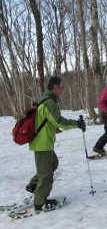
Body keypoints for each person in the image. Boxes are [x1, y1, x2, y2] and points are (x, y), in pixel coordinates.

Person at [26, 76, 86, 211]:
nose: (63, 89)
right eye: (61, 87)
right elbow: (58, 121)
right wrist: (76, 123)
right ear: (55, 87)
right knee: (46, 174)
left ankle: (33, 185)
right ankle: (39, 203)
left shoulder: (44, 99)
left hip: (43, 141)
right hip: (42, 143)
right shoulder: (49, 103)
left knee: (53, 164)